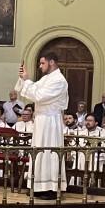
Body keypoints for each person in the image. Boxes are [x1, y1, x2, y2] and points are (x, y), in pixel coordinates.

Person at [14, 50, 69, 198]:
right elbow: (33, 88)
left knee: (48, 153)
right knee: (39, 153)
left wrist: (26, 81)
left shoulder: (59, 80)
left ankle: (50, 188)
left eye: (42, 63)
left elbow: (39, 96)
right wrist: (23, 78)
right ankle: (39, 186)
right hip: (41, 120)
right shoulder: (47, 78)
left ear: (52, 62)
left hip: (50, 122)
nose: (40, 66)